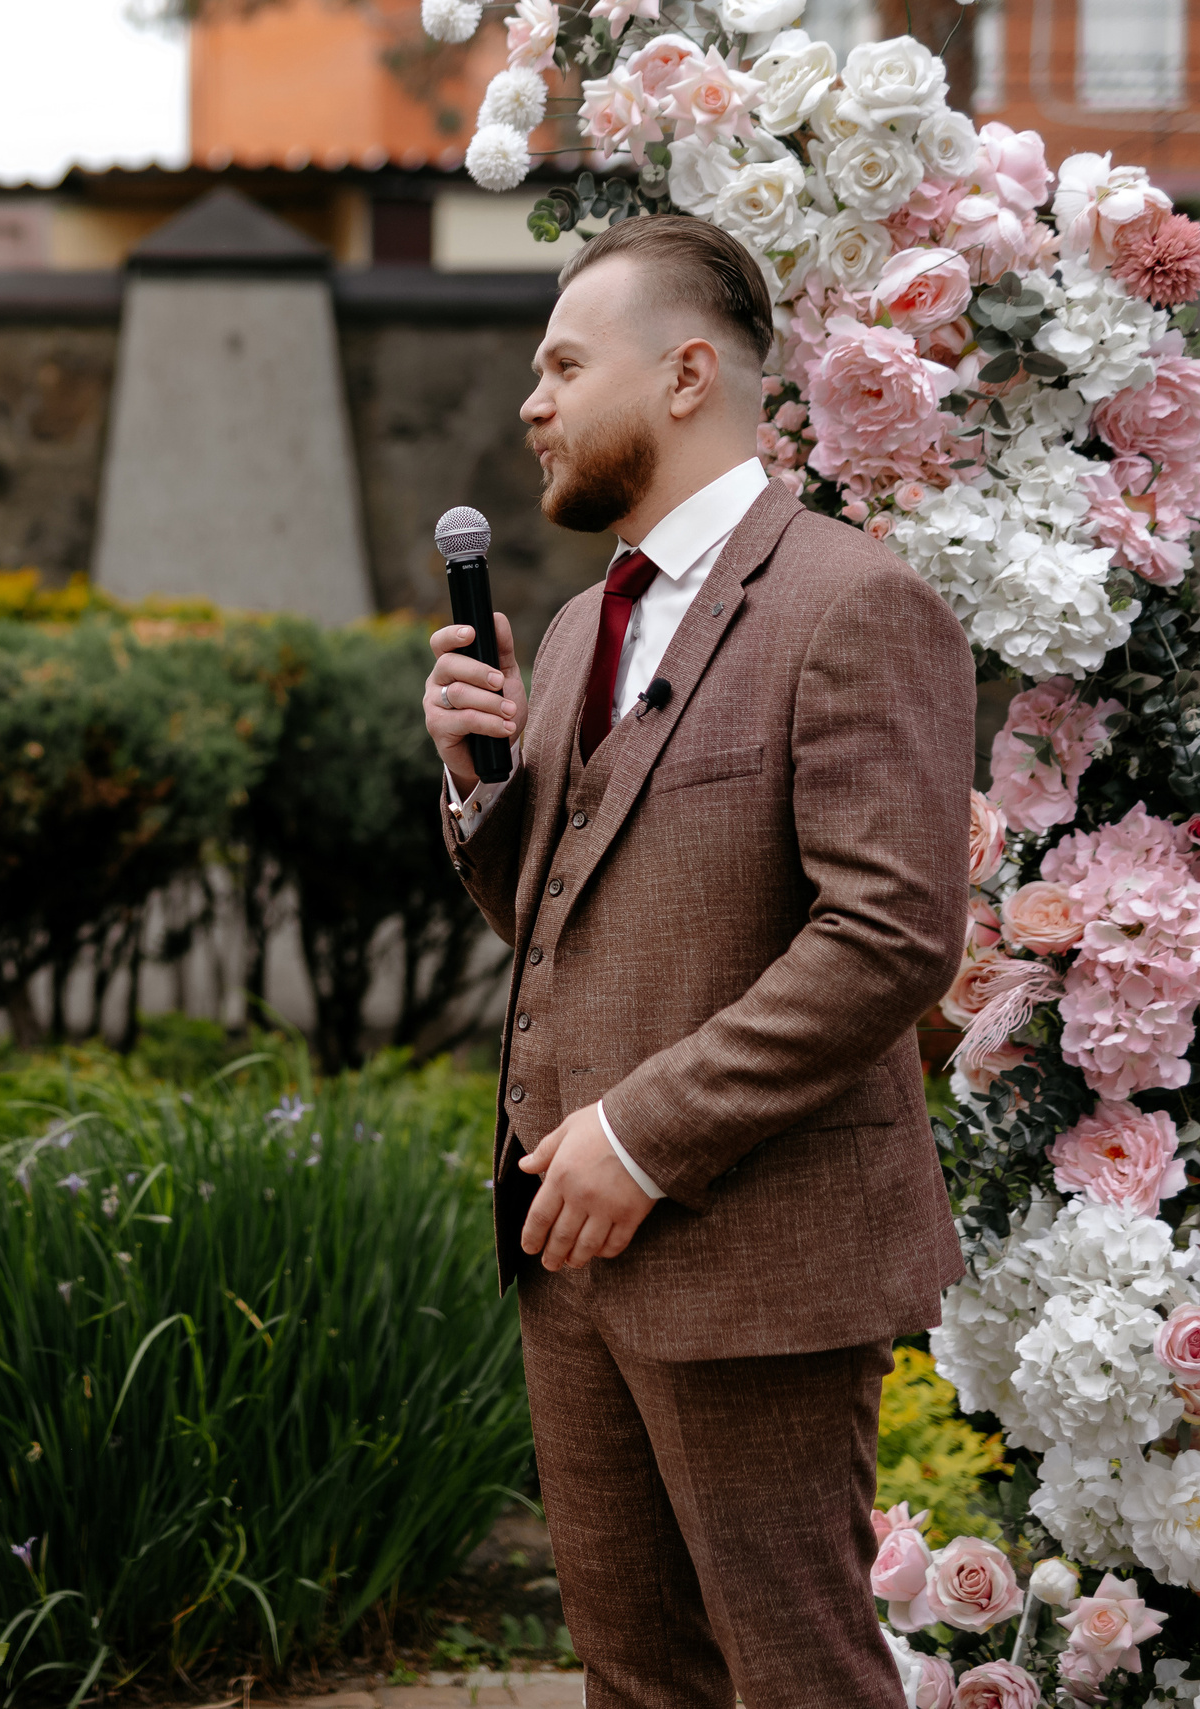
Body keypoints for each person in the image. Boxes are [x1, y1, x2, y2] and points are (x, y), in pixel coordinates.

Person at [421, 217, 972, 1706]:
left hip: (759, 1256)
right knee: (634, 1677)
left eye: (562, 367)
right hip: (569, 1255)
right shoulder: (574, 626)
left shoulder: (853, 603)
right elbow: (565, 920)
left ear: (683, 377)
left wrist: (643, 1137)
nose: (530, 403)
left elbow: (890, 937)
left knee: (797, 1676)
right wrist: (479, 790)